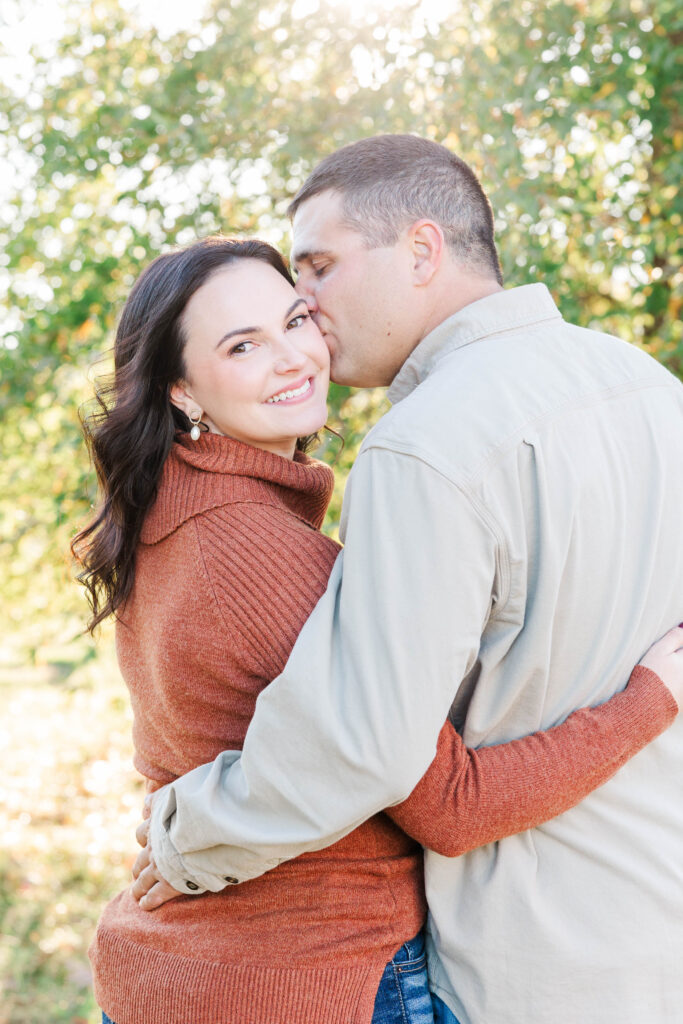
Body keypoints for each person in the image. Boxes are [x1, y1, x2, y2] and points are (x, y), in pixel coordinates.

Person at [130, 136, 683, 1024]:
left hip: (523, 964)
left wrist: (187, 836)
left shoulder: (423, 442)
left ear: (421, 250)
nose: (304, 304)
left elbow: (367, 747)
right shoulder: (655, 390)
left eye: (317, 268)